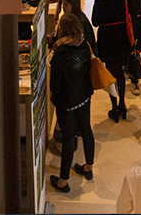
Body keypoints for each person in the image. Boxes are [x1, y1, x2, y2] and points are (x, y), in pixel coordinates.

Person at [49, 14, 96, 194]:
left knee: (69, 138)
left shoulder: (59, 56)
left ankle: (63, 180)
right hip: (84, 96)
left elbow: (55, 86)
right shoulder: (85, 46)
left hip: (66, 102)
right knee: (86, 129)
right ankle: (88, 167)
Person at [91, 0, 132, 122]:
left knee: (110, 74)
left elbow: (95, 21)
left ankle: (114, 106)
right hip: (122, 36)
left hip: (107, 38)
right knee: (120, 71)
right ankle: (122, 103)